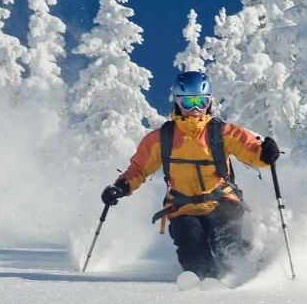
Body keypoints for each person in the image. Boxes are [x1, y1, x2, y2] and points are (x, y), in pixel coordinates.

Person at [100, 71, 281, 289]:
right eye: (189, 102)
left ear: (209, 103)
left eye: (201, 102)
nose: (195, 110)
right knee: (192, 248)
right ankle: (203, 277)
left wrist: (265, 153)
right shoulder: (161, 138)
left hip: (221, 202)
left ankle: (246, 270)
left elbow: (251, 149)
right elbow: (139, 169)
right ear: (177, 102)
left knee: (230, 245)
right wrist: (121, 186)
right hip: (183, 209)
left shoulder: (221, 133)